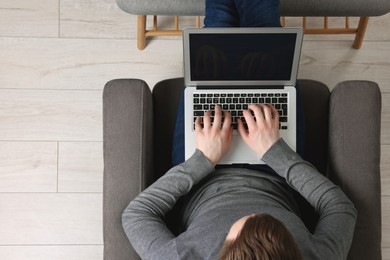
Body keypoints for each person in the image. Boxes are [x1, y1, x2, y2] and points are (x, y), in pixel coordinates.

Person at [122, 0, 357, 259]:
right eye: (272, 221)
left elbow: (137, 214)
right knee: (266, 32)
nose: (255, 211)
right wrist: (274, 151)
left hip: (202, 172)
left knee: (216, 32)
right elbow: (340, 208)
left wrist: (203, 160)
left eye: (241, 223)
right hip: (277, 169)